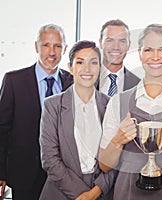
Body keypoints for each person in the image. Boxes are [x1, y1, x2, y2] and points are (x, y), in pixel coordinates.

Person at [98, 24, 162, 200]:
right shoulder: (118, 102)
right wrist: (118, 139)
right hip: (126, 194)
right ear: (139, 53)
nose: (155, 57)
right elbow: (104, 165)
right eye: (148, 50)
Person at [0, 24, 73, 199]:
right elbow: (1, 130)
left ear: (65, 49)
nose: (52, 52)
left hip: (63, 176)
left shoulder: (72, 83)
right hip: (24, 175)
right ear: (36, 47)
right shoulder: (14, 81)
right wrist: (1, 172)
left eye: (57, 46)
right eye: (46, 45)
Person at [39, 40, 114, 200]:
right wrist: (83, 195)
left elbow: (116, 158)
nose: (87, 69)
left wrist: (95, 193)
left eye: (93, 63)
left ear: (100, 67)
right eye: (80, 62)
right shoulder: (53, 105)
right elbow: (49, 159)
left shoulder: (111, 105)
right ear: (71, 67)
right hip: (61, 191)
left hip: (101, 192)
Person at [95, 19, 140, 96]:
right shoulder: (85, 78)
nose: (116, 47)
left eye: (122, 41)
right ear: (100, 43)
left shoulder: (138, 85)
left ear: (129, 45)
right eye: (110, 40)